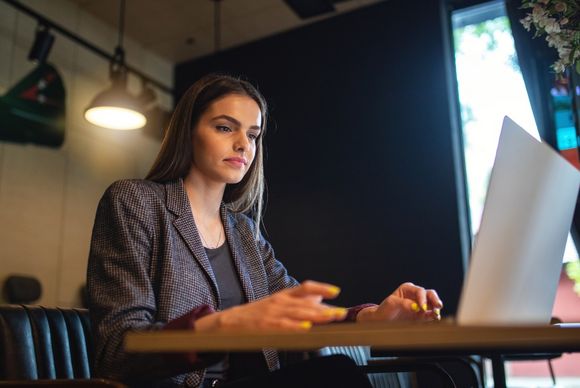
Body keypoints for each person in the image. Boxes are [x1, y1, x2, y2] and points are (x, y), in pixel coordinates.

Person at [87, 74, 443, 388]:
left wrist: (372, 317)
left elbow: (301, 313)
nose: (244, 144)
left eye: (253, 134)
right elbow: (117, 349)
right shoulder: (135, 201)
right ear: (188, 131)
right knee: (335, 375)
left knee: (337, 370)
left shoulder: (244, 233)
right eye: (225, 127)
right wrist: (225, 325)